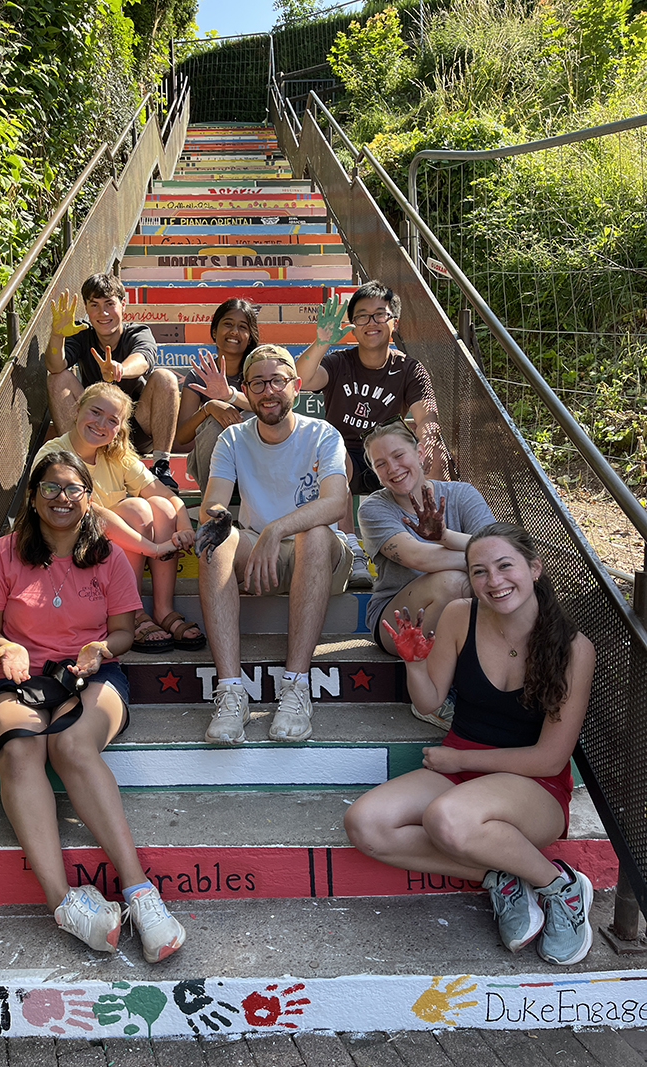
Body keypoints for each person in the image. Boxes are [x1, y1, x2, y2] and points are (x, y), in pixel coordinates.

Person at [0, 450, 186, 961]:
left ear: (88, 498)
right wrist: (5, 647)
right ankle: (65, 904)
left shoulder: (107, 555)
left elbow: (124, 633)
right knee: (20, 752)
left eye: (72, 489)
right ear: (34, 497)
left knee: (71, 745)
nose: (62, 498)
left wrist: (101, 649)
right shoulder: (2, 553)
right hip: (20, 677)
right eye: (50, 488)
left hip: (92, 672)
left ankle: (139, 893)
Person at [344, 522, 596, 967]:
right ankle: (502, 875)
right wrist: (415, 664)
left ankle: (562, 887)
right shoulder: (460, 615)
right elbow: (429, 701)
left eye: (505, 566)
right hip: (460, 770)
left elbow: (550, 758)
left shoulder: (574, 649)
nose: (493, 581)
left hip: (531, 785)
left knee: (447, 817)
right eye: (479, 571)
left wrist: (459, 757)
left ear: (534, 569)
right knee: (366, 824)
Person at [194, 343, 353, 745]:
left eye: (277, 381)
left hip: (316, 557)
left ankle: (296, 687)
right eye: (259, 383)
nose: (269, 391)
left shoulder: (322, 434)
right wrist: (219, 516)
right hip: (256, 555)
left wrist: (275, 529)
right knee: (215, 540)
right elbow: (212, 500)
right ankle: (232, 692)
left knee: (314, 531)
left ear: (296, 386)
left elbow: (335, 503)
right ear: (245, 388)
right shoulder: (232, 438)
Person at [295, 282, 447, 589]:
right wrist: (322, 341)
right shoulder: (339, 362)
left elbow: (426, 414)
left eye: (380, 314)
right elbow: (301, 379)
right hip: (344, 457)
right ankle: (352, 551)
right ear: (352, 325)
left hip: (386, 455)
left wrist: (429, 434)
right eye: (362, 316)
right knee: (332, 452)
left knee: (437, 449)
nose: (372, 322)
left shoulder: (409, 369)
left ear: (395, 322)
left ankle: (431, 534)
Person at [33, 383, 205, 653]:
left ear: (120, 429)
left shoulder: (117, 455)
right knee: (137, 509)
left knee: (161, 505)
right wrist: (154, 548)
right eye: (95, 412)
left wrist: (184, 525)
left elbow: (165, 495)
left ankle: (162, 609)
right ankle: (130, 613)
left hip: (113, 545)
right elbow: (89, 512)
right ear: (77, 410)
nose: (101, 423)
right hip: (71, 547)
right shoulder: (55, 455)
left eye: (112, 420)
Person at [358, 420, 494, 729]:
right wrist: (481, 560)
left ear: (420, 452)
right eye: (381, 464)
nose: (392, 468)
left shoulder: (462, 495)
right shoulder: (374, 509)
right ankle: (433, 698)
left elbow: (503, 547)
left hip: (467, 618)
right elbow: (419, 556)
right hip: (395, 621)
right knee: (453, 582)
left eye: (398, 455)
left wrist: (445, 535)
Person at [46, 273, 180, 490]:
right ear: (87, 309)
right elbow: (54, 366)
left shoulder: (138, 331)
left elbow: (144, 360)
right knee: (57, 378)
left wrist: (119, 369)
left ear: (123, 304)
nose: (103, 313)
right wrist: (57, 335)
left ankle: (161, 466)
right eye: (95, 305)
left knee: (166, 378)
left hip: (137, 426)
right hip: (95, 426)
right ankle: (74, 463)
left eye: (109, 303)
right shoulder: (81, 333)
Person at [175, 298, 260, 496]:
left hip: (254, 466)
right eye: (228, 324)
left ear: (250, 336)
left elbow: (269, 409)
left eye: (242, 327)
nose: (234, 332)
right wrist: (209, 408)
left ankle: (259, 497)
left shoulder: (258, 371)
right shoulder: (198, 376)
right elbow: (181, 437)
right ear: (214, 331)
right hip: (210, 467)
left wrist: (229, 395)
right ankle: (213, 504)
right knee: (215, 422)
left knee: (256, 418)